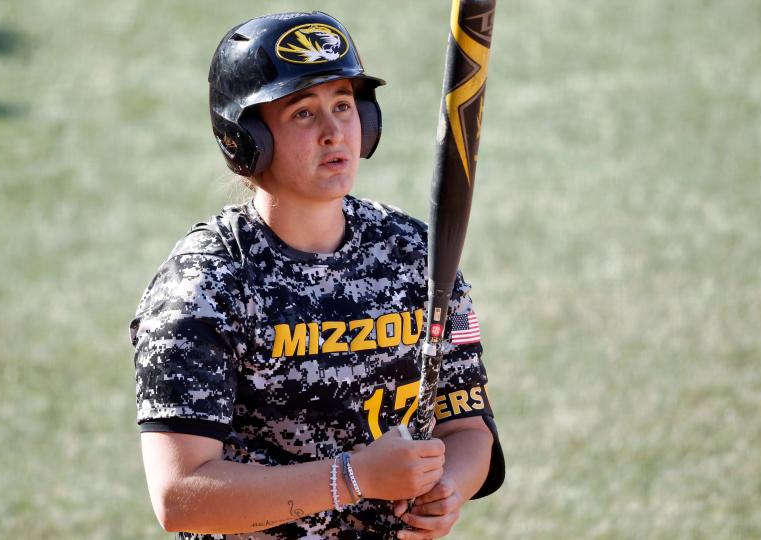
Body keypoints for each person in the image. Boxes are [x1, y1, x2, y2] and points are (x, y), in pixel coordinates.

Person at [130, 11, 504, 539]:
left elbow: (468, 428)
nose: (334, 132)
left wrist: (449, 488)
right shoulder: (202, 287)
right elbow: (179, 495)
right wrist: (352, 478)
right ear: (247, 138)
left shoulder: (417, 256)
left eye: (344, 106)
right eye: (304, 113)